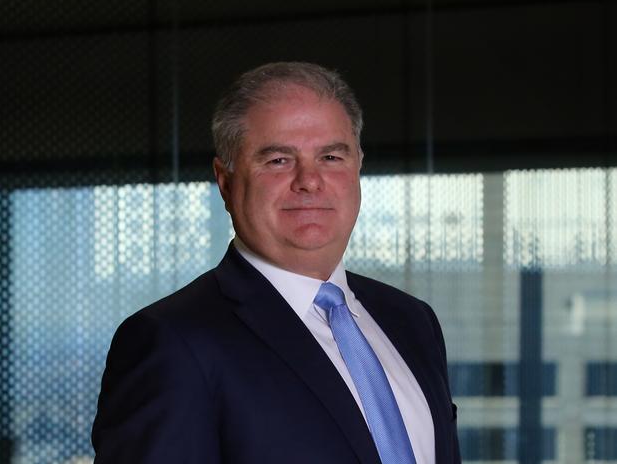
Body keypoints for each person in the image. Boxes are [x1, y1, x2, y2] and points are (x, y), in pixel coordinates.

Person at [92, 62, 460, 463]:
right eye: (278, 160)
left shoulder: (411, 321)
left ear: (358, 167)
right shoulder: (173, 342)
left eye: (332, 157)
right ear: (225, 180)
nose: (309, 180)